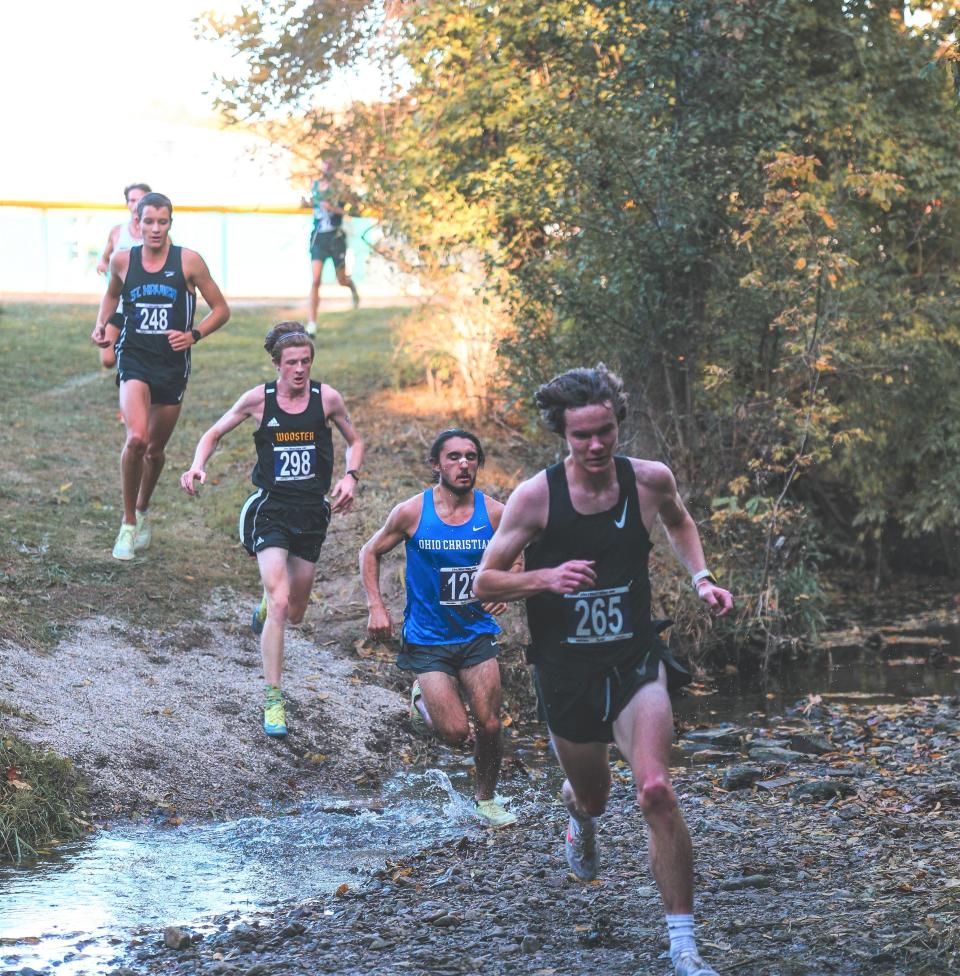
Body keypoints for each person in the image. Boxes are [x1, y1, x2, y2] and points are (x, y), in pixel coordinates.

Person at [474, 365, 734, 976]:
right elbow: (486, 580)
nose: (595, 447)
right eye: (581, 436)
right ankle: (578, 817)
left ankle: (683, 946)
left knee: (655, 790)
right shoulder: (537, 497)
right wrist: (544, 577)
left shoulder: (648, 480)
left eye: (605, 432)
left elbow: (679, 520)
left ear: (619, 424)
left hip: (634, 661)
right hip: (565, 672)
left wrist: (701, 579)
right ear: (562, 434)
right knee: (594, 798)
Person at [181, 322, 363, 738]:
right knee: (282, 602)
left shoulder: (327, 398)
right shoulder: (258, 401)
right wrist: (197, 465)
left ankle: (266, 603)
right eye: (292, 362)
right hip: (271, 509)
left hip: (312, 513)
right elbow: (213, 432)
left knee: (294, 612)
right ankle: (274, 699)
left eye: (306, 362)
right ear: (277, 364)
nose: (300, 369)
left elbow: (355, 440)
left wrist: (351, 476)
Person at [359, 429, 517, 828]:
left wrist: (507, 589)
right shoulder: (412, 512)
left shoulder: (495, 513)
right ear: (436, 465)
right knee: (453, 733)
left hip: (476, 632)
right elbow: (370, 551)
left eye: (471, 457)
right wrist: (376, 605)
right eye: (454, 457)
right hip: (428, 638)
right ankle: (422, 700)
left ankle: (486, 799)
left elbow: (518, 560)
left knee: (490, 724)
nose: (464, 465)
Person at [91, 192, 230, 561]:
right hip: (135, 358)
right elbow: (111, 297)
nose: (155, 229)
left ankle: (143, 508)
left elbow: (221, 309)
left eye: (162, 222)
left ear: (170, 223)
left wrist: (194, 334)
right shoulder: (123, 260)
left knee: (155, 450)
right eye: (148, 221)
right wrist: (101, 326)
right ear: (137, 223)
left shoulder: (188, 262)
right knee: (136, 438)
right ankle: (127, 523)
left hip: (171, 365)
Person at [95, 182, 151, 369]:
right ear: (127, 203)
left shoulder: (156, 234)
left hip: (144, 307)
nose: (136, 204)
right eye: (132, 200)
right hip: (118, 305)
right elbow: (105, 258)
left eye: (141, 199)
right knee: (108, 360)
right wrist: (104, 266)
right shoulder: (118, 232)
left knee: (142, 362)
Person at [306, 162, 359, 335]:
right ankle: (312, 323)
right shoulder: (313, 185)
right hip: (319, 237)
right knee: (315, 280)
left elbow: (352, 211)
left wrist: (333, 208)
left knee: (341, 279)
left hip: (336, 238)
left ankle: (351, 287)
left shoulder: (340, 188)